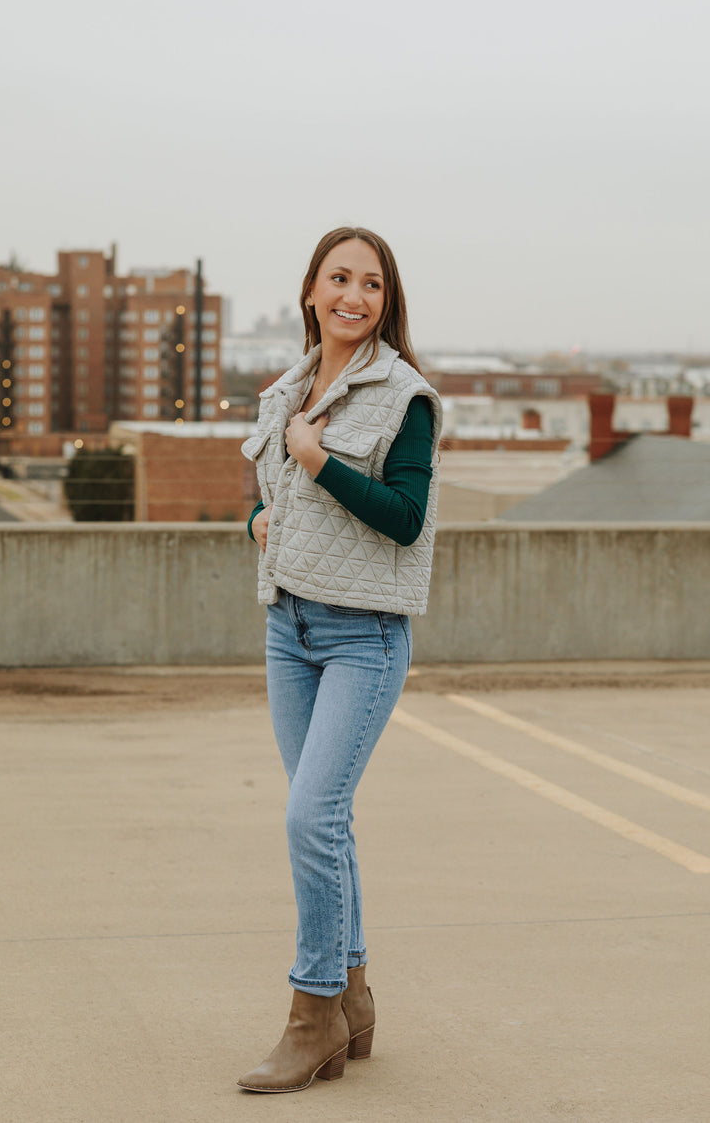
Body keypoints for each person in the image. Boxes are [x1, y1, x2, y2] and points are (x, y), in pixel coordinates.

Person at [237, 227, 442, 1094]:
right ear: (312, 292)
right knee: (324, 821)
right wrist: (251, 522)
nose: (354, 295)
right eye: (339, 278)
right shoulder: (286, 391)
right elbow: (267, 498)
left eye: (371, 283)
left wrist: (320, 462)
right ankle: (354, 996)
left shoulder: (406, 397)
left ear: (386, 300)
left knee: (307, 819)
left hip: (366, 636)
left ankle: (312, 1011)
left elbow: (405, 517)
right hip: (292, 629)